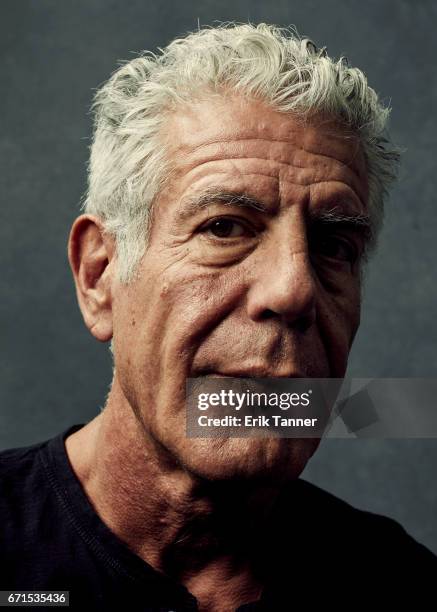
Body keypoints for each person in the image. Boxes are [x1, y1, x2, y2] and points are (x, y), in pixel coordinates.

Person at [0, 23, 435, 611]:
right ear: (100, 277)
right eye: (225, 227)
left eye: (333, 247)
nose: (293, 290)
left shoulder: (402, 586)